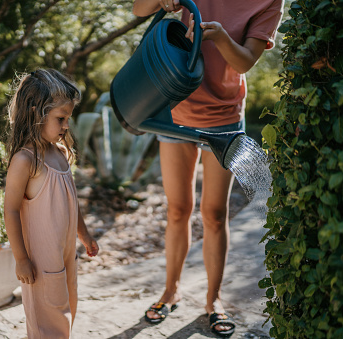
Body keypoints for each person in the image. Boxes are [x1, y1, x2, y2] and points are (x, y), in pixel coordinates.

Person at [132, 0, 283, 336]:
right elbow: (138, 9)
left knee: (214, 214)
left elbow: (245, 62)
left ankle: (213, 300)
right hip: (175, 109)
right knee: (177, 210)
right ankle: (171, 291)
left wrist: (221, 38)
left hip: (224, 119)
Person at [3, 68, 99, 339]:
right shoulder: (25, 161)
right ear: (36, 113)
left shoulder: (59, 154)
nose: (66, 125)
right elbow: (10, 210)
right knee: (47, 324)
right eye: (61, 118)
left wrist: (85, 234)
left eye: (68, 118)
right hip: (41, 263)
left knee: (66, 310)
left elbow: (71, 202)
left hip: (65, 255)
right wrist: (21, 259)